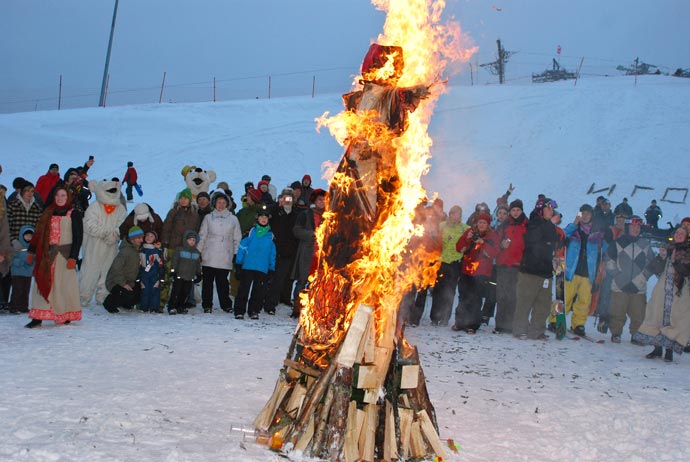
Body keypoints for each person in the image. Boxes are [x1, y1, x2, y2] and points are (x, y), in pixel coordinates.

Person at [25, 186, 83, 328]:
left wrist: (73, 257)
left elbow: (78, 237)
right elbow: (39, 233)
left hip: (65, 256)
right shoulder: (48, 212)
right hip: (47, 254)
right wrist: (32, 251)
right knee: (41, 283)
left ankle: (64, 314)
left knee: (63, 286)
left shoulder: (73, 213)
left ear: (68, 197)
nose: (60, 198)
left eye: (63, 195)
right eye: (57, 195)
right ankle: (38, 316)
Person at [633, 226, 690, 362]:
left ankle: (669, 351)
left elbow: (686, 271)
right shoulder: (668, 248)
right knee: (657, 316)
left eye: (682, 233)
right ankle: (657, 348)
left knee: (673, 319)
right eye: (677, 233)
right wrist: (661, 257)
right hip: (663, 288)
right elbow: (655, 267)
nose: (679, 235)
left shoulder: (688, 251)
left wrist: (676, 261)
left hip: (678, 290)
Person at [512, 198, 559, 340]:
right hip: (530, 271)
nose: (552, 212)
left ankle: (537, 331)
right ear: (541, 209)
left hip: (545, 272)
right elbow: (533, 238)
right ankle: (520, 329)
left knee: (543, 305)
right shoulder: (532, 223)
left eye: (552, 209)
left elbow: (553, 241)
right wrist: (550, 224)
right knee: (524, 303)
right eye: (549, 208)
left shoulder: (549, 225)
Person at [605, 216, 656, 343]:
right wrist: (616, 274)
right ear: (628, 227)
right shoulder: (617, 242)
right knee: (617, 312)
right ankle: (616, 333)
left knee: (638, 314)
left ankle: (636, 334)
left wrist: (644, 277)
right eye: (633, 226)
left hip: (639, 286)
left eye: (638, 227)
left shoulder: (645, 245)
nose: (636, 229)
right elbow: (609, 260)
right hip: (619, 284)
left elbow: (652, 263)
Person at [452, 212, 499, 333]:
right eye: (480, 222)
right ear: (476, 223)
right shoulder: (470, 232)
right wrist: (468, 239)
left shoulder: (492, 236)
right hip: (466, 270)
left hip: (481, 272)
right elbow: (459, 247)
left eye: (484, 222)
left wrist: (482, 243)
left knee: (476, 299)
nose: (482, 224)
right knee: (463, 297)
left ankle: (472, 325)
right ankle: (460, 322)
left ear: (488, 224)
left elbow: (494, 253)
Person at [562, 204, 606, 336]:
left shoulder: (597, 234)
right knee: (565, 298)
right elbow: (562, 235)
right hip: (571, 271)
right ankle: (555, 320)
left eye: (588, 213)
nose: (585, 216)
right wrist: (574, 224)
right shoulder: (573, 230)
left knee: (584, 301)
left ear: (591, 215)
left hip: (588, 273)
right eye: (583, 213)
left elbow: (605, 250)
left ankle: (578, 325)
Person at [197, 190, 241, 313]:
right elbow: (202, 235)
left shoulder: (233, 219)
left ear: (227, 204)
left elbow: (237, 238)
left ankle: (226, 305)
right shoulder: (208, 218)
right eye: (218, 202)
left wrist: (236, 254)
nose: (221, 205)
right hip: (209, 254)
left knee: (223, 282)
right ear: (214, 204)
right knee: (207, 282)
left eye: (223, 202)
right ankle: (207, 305)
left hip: (225, 254)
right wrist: (198, 252)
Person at [234, 209, 276, 319]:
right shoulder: (250, 233)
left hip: (262, 268)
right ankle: (239, 311)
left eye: (266, 218)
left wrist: (271, 269)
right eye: (261, 217)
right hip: (248, 266)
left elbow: (272, 254)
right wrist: (238, 264)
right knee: (243, 290)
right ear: (257, 219)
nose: (263, 219)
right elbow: (242, 248)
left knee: (258, 292)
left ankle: (253, 311)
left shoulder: (270, 236)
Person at [430, 205, 468, 326]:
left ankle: (445, 317)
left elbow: (472, 236)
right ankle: (435, 317)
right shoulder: (442, 225)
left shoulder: (464, 228)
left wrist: (466, 247)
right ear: (450, 214)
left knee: (450, 291)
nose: (455, 216)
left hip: (455, 263)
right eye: (453, 213)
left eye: (458, 214)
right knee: (438, 290)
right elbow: (435, 240)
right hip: (441, 261)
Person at [493, 199, 528, 334]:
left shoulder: (526, 225)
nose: (515, 212)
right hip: (503, 264)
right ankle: (500, 324)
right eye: (513, 210)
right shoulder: (504, 226)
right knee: (502, 295)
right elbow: (496, 243)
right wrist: (501, 245)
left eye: (518, 210)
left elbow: (529, 245)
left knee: (514, 296)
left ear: (522, 210)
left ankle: (511, 324)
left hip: (518, 265)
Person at [291, 188, 326, 318]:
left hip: (321, 256)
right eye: (320, 199)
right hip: (307, 254)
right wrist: (312, 234)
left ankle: (311, 309)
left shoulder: (329, 216)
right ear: (315, 201)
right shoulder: (305, 214)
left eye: (324, 200)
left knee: (316, 283)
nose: (322, 202)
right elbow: (296, 230)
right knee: (301, 282)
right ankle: (297, 308)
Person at [265, 188, 299, 313]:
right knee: (273, 279)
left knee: (284, 278)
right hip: (275, 249)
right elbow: (266, 215)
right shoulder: (276, 212)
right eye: (285, 198)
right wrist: (277, 205)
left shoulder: (296, 214)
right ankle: (269, 303)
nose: (287, 201)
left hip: (289, 251)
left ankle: (278, 301)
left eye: (290, 198)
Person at [102, 226, 145, 313]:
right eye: (139, 238)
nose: (141, 240)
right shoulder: (125, 252)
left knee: (140, 293)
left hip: (129, 281)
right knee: (126, 293)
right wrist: (123, 284)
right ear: (132, 239)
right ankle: (109, 303)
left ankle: (125, 304)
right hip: (115, 282)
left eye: (142, 238)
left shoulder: (138, 250)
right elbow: (116, 268)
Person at [168, 230, 202, 315]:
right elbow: (174, 261)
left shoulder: (196, 253)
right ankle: (172, 306)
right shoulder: (180, 250)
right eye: (190, 240)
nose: (192, 242)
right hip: (179, 275)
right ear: (185, 240)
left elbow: (198, 264)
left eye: (194, 240)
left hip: (190, 276)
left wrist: (199, 274)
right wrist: (173, 271)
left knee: (185, 293)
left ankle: (181, 306)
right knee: (176, 291)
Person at [8, 226, 34, 314]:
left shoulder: (33, 247)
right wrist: (20, 262)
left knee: (26, 290)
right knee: (17, 290)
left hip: (28, 273)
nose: (28, 238)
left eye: (30, 236)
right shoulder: (17, 246)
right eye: (27, 235)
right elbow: (11, 258)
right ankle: (14, 306)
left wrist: (32, 262)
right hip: (17, 272)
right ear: (22, 235)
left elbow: (35, 259)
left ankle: (24, 307)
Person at [138, 231, 164, 313]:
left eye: (151, 236)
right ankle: (144, 307)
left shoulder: (156, 251)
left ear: (155, 239)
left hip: (154, 274)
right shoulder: (141, 250)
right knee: (144, 290)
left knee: (154, 290)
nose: (149, 237)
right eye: (147, 235)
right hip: (144, 275)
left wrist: (161, 273)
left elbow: (161, 263)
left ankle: (154, 307)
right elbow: (138, 263)